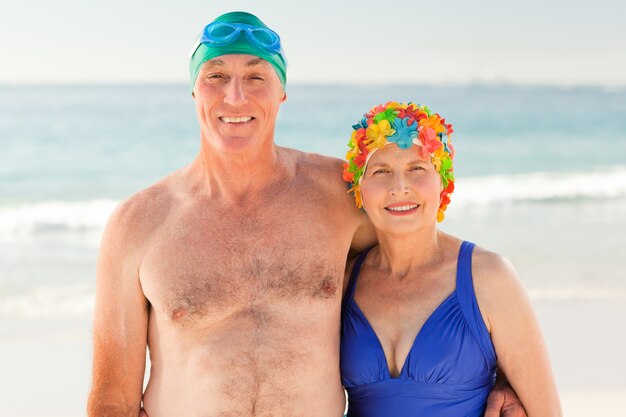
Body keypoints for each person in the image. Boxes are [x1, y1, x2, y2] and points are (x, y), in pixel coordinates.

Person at [87, 11, 527, 417]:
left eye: (256, 77)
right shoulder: (138, 224)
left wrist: (505, 375)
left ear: (281, 92)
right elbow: (112, 397)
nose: (235, 95)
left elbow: (430, 269)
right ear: (194, 90)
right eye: (216, 75)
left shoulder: (339, 195)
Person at [340, 102, 562, 416]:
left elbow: (547, 412)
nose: (399, 187)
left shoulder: (489, 277)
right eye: (381, 171)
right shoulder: (344, 281)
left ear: (443, 182)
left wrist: (504, 380)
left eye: (417, 168)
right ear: (359, 188)